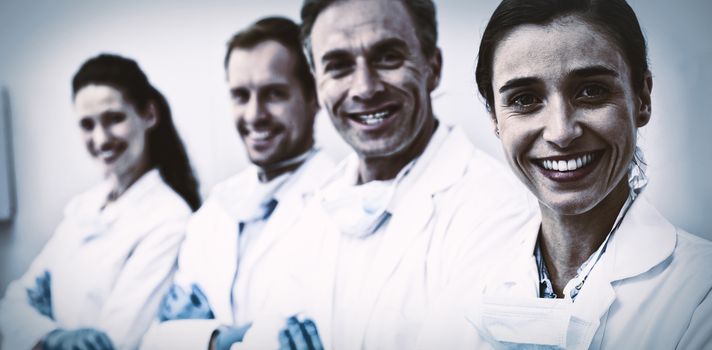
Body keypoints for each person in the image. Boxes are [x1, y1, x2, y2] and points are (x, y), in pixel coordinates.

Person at [235, 1, 535, 349]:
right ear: (318, 84)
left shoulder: (500, 211)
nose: (364, 87)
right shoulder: (313, 207)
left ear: (432, 67)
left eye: (387, 57)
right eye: (339, 66)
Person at [415, 0, 712, 349]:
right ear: (495, 118)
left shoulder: (699, 296)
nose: (560, 132)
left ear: (642, 97)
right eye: (525, 99)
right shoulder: (466, 284)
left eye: (591, 91)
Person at [140, 17, 335, 350]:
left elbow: (328, 337)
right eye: (240, 96)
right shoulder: (214, 211)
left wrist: (200, 336)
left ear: (314, 96)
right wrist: (229, 337)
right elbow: (156, 340)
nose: (254, 115)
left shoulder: (339, 206)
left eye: (274, 94)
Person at [0, 53, 200, 350]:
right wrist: (55, 337)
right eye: (87, 125)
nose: (101, 138)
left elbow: (116, 341)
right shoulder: (83, 207)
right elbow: (13, 304)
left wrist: (38, 333)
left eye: (114, 119)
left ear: (149, 115)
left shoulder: (170, 218)